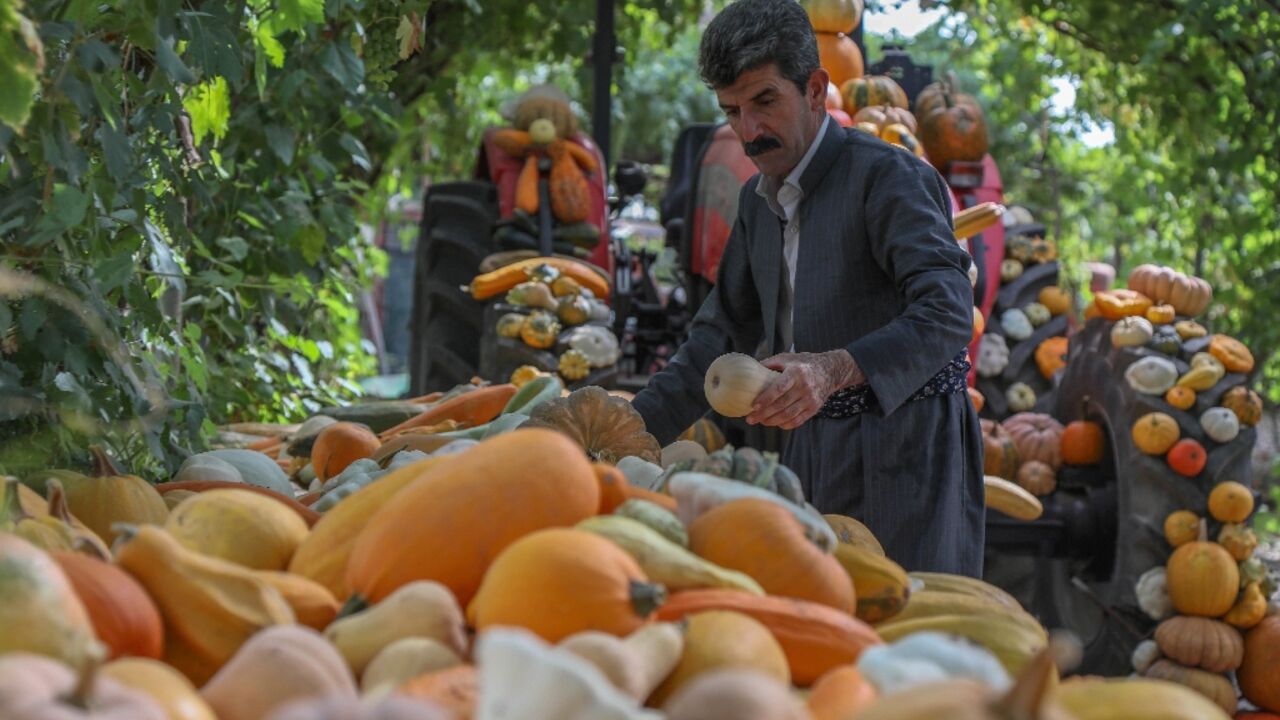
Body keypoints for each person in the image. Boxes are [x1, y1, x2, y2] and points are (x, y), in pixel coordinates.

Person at [630, 0, 984, 575]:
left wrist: (831, 370)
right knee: (824, 623)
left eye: (765, 101)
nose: (749, 132)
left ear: (816, 90)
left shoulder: (889, 177)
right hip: (813, 449)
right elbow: (715, 342)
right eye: (732, 111)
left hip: (908, 455)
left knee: (903, 636)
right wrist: (622, 432)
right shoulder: (756, 200)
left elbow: (948, 312)